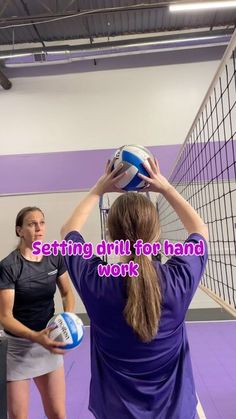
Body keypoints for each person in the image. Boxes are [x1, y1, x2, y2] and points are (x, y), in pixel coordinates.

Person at [61, 158, 208, 419]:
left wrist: (98, 189)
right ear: (156, 234)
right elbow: (199, 230)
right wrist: (165, 188)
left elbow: (68, 232)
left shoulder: (97, 283)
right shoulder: (178, 279)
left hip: (116, 411)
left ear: (110, 235)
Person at [0, 206, 75, 419]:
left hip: (48, 344)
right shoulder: (9, 266)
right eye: (32, 224)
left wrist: (67, 318)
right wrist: (35, 337)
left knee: (58, 414)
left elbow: (67, 293)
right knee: (18, 416)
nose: (39, 228)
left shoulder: (54, 257)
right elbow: (5, 317)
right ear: (19, 230)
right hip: (18, 349)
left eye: (42, 223)